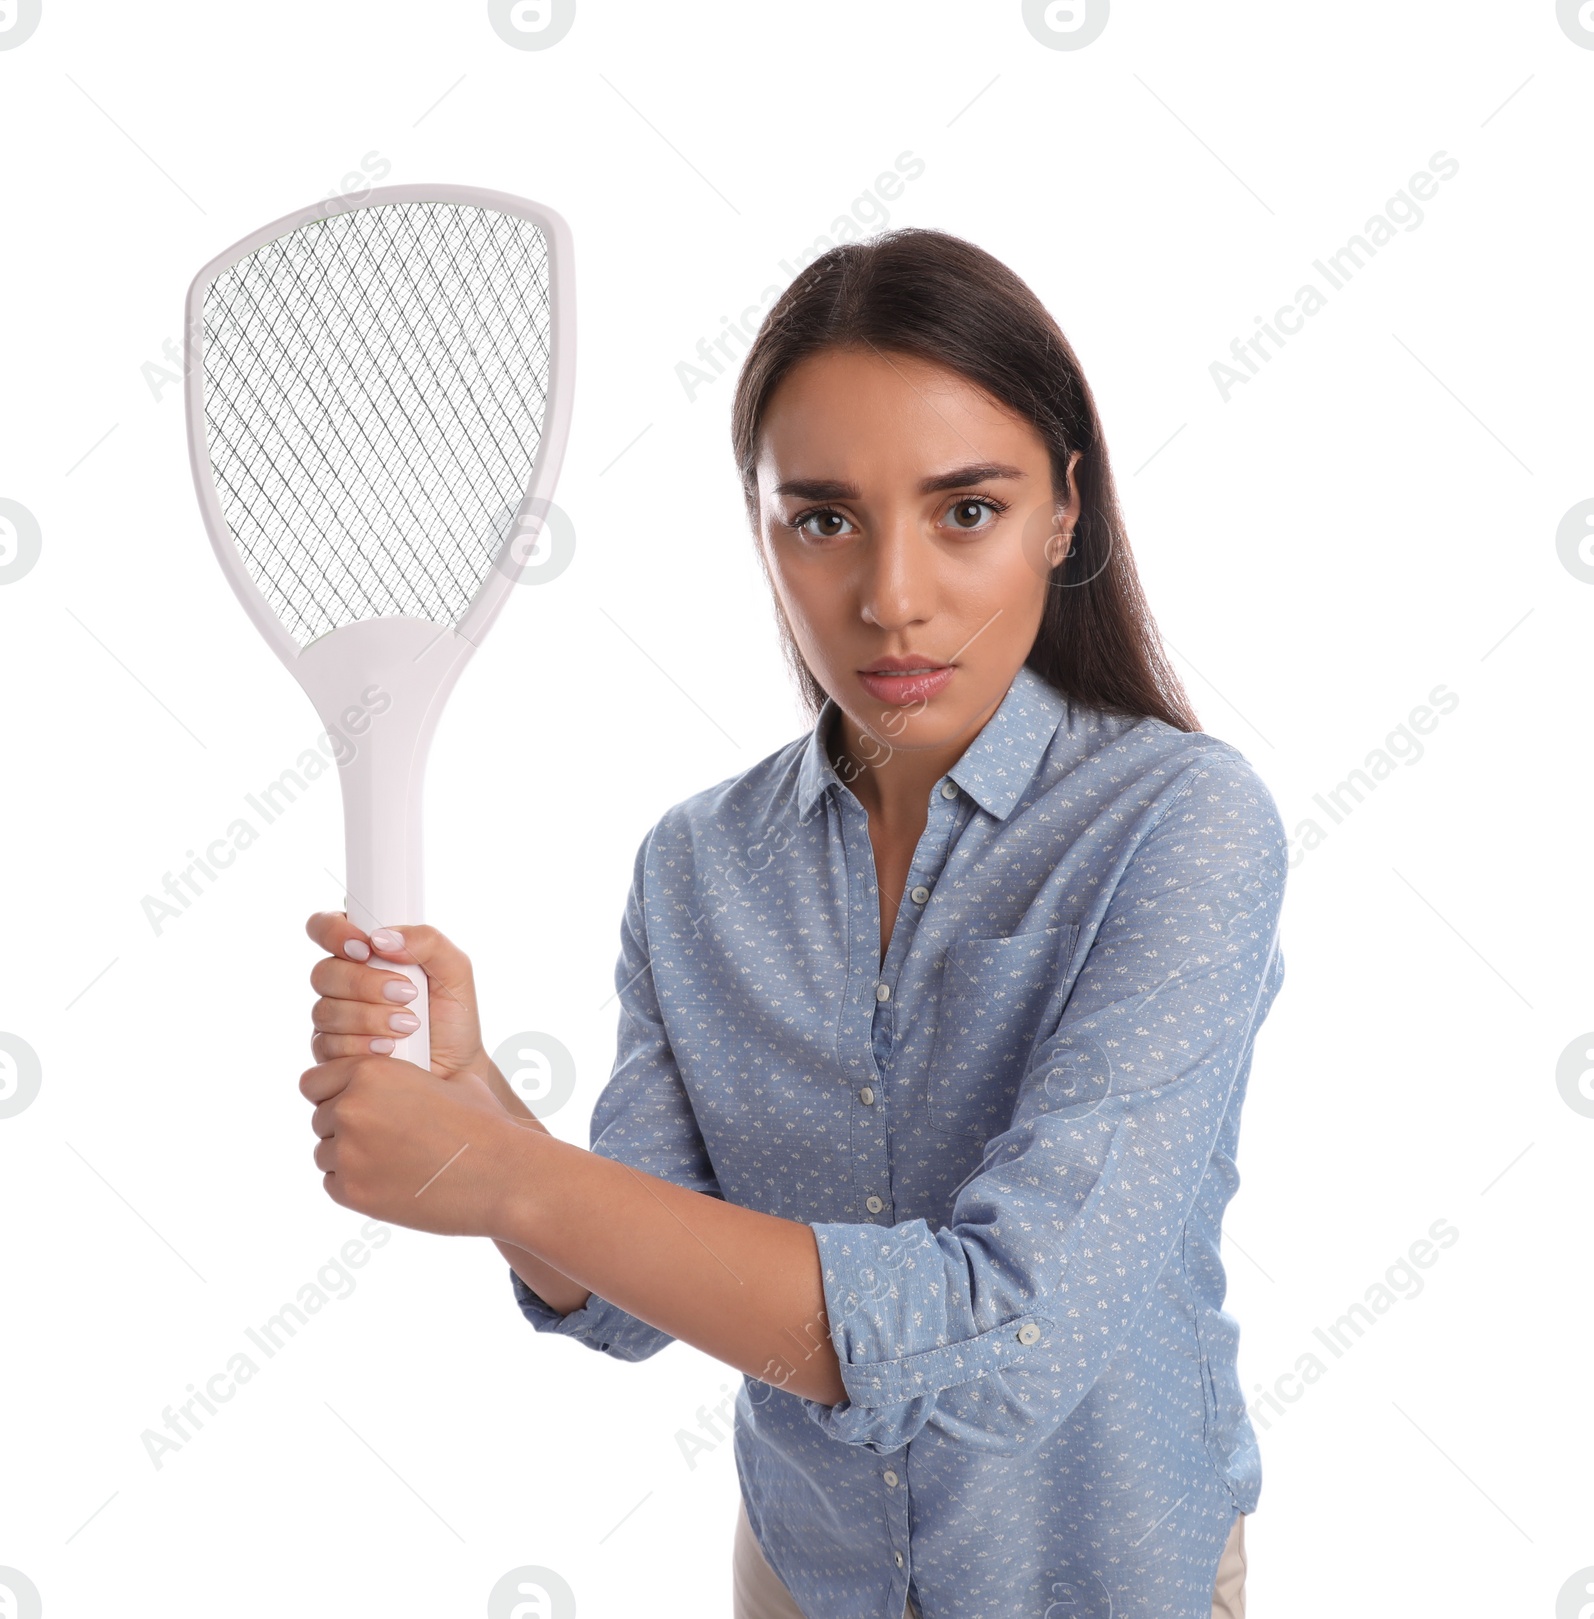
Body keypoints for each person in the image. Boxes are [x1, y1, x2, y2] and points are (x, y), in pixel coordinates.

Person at [299, 228, 1284, 1618]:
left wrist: (504, 1176)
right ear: (762, 529)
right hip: (807, 1581)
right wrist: (485, 1112)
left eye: (966, 511)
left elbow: (1009, 1334)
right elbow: (638, 1292)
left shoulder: (1181, 826)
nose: (892, 598)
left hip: (1106, 1584)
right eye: (824, 519)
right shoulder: (697, 867)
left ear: (1064, 512)